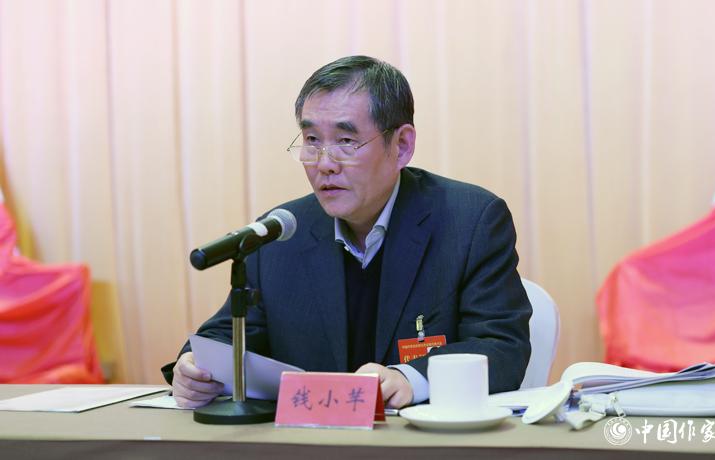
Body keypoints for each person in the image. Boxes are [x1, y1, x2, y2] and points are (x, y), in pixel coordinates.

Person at [162, 55, 532, 409]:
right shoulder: (280, 234)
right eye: (311, 140)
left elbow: (502, 347)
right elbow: (227, 336)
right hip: (310, 439)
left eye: (346, 141)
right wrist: (193, 368)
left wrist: (410, 378)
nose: (324, 163)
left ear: (401, 146)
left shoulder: (469, 222)